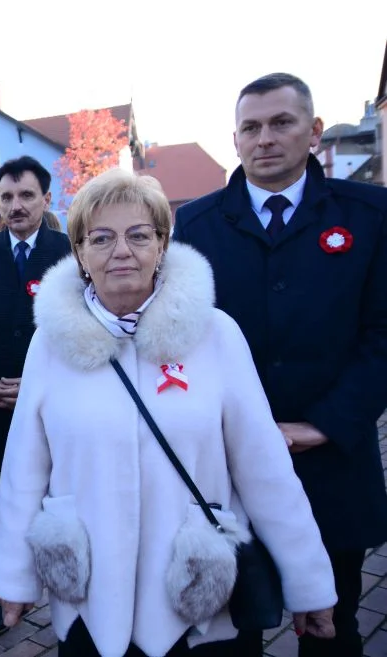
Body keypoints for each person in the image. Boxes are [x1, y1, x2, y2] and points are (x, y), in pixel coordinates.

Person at [0, 168, 337, 656]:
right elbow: (24, 467)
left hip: (199, 597)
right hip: (91, 595)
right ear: (81, 254)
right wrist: (13, 575)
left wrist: (308, 581)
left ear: (162, 243)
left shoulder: (215, 333)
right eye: (102, 238)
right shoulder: (50, 342)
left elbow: (265, 468)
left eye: (138, 235)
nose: (122, 251)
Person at [173, 72, 387, 657]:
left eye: (281, 123)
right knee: (229, 631)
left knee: (331, 623)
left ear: (314, 131)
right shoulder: (194, 227)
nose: (264, 138)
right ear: (235, 140)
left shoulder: (370, 215)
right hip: (226, 471)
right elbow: (180, 341)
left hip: (331, 463)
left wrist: (322, 424)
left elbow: (382, 336)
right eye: (251, 127)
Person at [0, 155, 72, 638]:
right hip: (0, 407)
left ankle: (73, 594)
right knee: (10, 505)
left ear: (47, 199)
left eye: (26, 195)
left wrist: (40, 386)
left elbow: (81, 328)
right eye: (6, 197)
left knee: (65, 502)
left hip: (59, 407)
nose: (15, 205)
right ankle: (9, 593)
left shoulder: (68, 250)